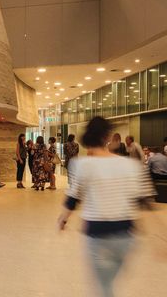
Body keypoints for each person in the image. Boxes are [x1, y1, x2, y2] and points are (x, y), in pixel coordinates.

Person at [57, 117, 158, 296]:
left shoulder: (80, 164)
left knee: (104, 288)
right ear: (109, 137)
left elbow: (73, 199)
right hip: (126, 236)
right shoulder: (132, 165)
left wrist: (63, 219)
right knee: (108, 283)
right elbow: (145, 204)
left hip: (98, 234)